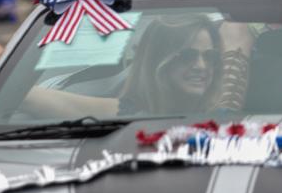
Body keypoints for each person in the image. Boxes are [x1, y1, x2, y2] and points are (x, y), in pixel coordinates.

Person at [18, 15, 223, 120]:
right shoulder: (129, 112)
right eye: (187, 56)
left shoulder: (231, 115)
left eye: (210, 56)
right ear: (159, 60)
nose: (201, 66)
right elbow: (20, 95)